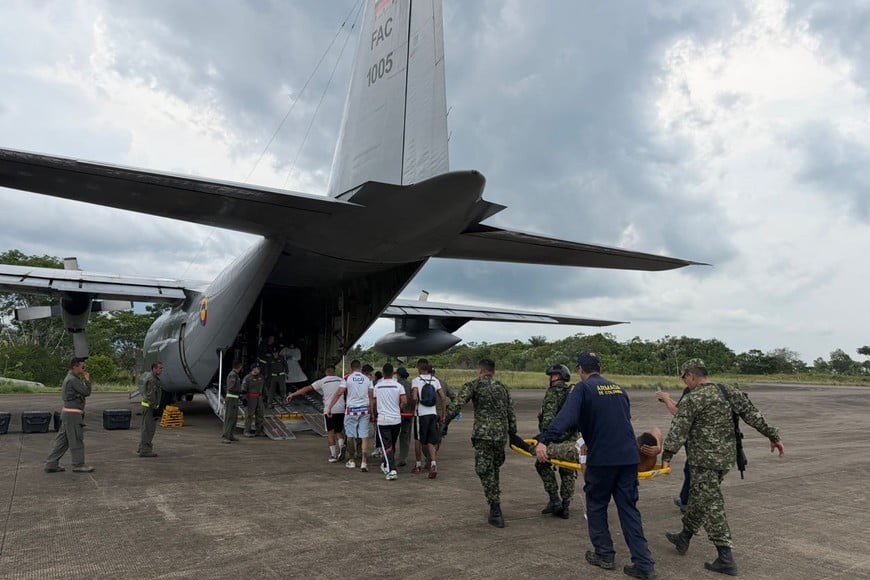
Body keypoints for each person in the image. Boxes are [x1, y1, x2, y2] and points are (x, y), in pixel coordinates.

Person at [536, 352, 656, 580]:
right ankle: (644, 564)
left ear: (581, 370)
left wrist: (544, 439)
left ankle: (605, 555)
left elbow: (565, 419)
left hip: (603, 460)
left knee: (597, 505)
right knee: (629, 510)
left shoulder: (583, 389)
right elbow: (623, 420)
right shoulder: (619, 389)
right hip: (629, 458)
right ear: (599, 368)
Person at [661, 359, 785, 577]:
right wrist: (773, 436)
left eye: (684, 377)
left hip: (703, 462)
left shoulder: (693, 398)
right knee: (700, 498)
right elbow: (753, 415)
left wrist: (667, 455)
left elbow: (679, 430)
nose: (684, 381)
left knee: (712, 505)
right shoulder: (729, 392)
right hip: (726, 460)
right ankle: (684, 537)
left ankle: (725, 557)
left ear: (691, 376)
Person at [442, 358, 517, 528]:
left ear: (480, 370)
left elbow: (457, 405)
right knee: (493, 469)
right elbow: (511, 411)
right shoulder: (503, 388)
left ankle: (495, 508)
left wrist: (444, 423)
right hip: (500, 436)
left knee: (484, 470)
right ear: (493, 371)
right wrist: (513, 434)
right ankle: (495, 502)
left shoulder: (473, 385)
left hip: (483, 436)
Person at [535, 363, 577, 519]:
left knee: (541, 463)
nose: (550, 378)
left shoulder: (553, 392)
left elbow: (548, 419)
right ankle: (565, 505)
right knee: (567, 471)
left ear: (557, 377)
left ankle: (554, 500)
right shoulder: (572, 393)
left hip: (555, 439)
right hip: (571, 438)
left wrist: (544, 439)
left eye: (552, 375)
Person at [44, 357, 94, 473]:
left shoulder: (72, 378)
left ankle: (51, 464)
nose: (84, 368)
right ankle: (78, 464)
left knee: (62, 441)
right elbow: (86, 392)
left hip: (68, 413)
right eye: (82, 366)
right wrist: (87, 380)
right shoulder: (73, 380)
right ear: (75, 367)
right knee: (76, 439)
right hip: (73, 415)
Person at [288, 365, 346, 462]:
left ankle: (333, 456)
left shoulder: (322, 381)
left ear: (326, 372)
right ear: (334, 372)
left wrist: (293, 394)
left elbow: (306, 389)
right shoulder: (342, 380)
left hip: (329, 410)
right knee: (339, 431)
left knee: (330, 432)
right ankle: (341, 445)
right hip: (341, 409)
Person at [328, 359, 373, 472]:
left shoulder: (347, 378)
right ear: (360, 367)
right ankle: (363, 462)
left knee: (350, 435)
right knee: (364, 436)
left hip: (352, 410)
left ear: (350, 367)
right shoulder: (367, 379)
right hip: (364, 410)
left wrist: (330, 407)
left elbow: (339, 393)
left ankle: (352, 460)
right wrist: (372, 411)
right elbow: (371, 396)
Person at [656, 386, 691, 513]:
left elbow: (678, 412)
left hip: (694, 439)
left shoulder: (691, 391)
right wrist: (668, 399)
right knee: (689, 469)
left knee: (691, 469)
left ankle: (686, 501)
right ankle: (684, 498)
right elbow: (682, 407)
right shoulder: (705, 391)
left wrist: (666, 399)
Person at [411, 359, 446, 478]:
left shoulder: (416, 380)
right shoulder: (435, 380)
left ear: (419, 368)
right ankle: (433, 463)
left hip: (421, 414)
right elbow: (443, 397)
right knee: (431, 440)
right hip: (432, 413)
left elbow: (415, 397)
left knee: (418, 439)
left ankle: (418, 464)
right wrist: (443, 414)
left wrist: (413, 406)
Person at [372, 363, 407, 481]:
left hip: (383, 420)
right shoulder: (398, 386)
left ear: (383, 373)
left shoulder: (378, 386)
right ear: (393, 373)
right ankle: (387, 464)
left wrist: (374, 413)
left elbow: (374, 402)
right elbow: (404, 401)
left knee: (386, 445)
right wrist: (399, 408)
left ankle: (392, 469)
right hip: (396, 419)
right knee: (392, 443)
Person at [138, 361, 165, 458]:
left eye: (162, 368)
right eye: (160, 368)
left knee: (146, 427)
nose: (162, 370)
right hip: (150, 407)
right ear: (154, 368)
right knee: (149, 429)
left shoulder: (150, 377)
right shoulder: (152, 380)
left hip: (148, 406)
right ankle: (145, 450)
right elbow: (151, 396)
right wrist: (155, 408)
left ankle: (142, 447)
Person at [395, 367, 414, 468]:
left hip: (395, 413)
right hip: (408, 413)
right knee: (405, 436)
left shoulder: (396, 384)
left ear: (398, 374)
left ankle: (388, 456)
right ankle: (403, 457)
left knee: (392, 435)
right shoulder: (410, 385)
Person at [221, 360, 243, 443]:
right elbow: (231, 387)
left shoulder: (235, 375)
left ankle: (230, 435)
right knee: (229, 417)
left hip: (234, 398)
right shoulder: (233, 375)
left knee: (234, 418)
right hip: (231, 399)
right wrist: (240, 390)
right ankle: (226, 436)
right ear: (239, 367)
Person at [242, 364, 265, 437]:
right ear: (253, 369)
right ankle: (246, 431)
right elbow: (243, 389)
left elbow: (264, 387)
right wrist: (244, 399)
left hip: (259, 398)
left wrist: (266, 396)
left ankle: (259, 431)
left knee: (260, 414)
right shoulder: (247, 378)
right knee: (249, 415)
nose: (258, 370)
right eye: (257, 368)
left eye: (259, 368)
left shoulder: (261, 377)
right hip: (250, 399)